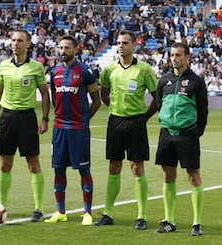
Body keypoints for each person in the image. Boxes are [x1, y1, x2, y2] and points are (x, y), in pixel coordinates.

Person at [94, 30, 158, 230]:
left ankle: (141, 216)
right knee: (114, 166)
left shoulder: (144, 69)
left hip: (135, 123)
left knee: (137, 167)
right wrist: (112, 106)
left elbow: (157, 97)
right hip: (115, 122)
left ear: (134, 46)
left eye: (125, 43)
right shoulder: (110, 68)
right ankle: (108, 213)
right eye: (119, 43)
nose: (121, 46)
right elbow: (103, 93)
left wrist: (144, 117)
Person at [0, 29, 50, 222]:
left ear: (28, 44)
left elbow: (45, 94)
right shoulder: (4, 66)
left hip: (27, 118)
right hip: (7, 118)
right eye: (13, 40)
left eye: (20, 40)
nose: (15, 43)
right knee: (5, 164)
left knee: (33, 164)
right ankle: (1, 207)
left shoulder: (36, 67)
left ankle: (38, 208)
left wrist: (45, 118)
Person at [44, 35, 101, 225]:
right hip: (59, 128)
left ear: (76, 49)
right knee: (58, 169)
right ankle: (61, 211)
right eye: (60, 47)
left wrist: (84, 119)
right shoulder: (55, 71)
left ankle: (87, 213)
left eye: (67, 47)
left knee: (83, 170)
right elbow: (54, 97)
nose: (63, 51)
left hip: (78, 129)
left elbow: (97, 100)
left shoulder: (85, 72)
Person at [154, 42, 208, 236]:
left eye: (178, 55)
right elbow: (160, 104)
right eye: (172, 55)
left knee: (193, 176)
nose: (174, 58)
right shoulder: (164, 80)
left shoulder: (196, 81)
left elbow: (203, 110)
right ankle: (169, 221)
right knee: (168, 176)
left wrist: (196, 132)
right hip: (167, 134)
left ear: (187, 57)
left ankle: (197, 223)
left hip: (188, 134)